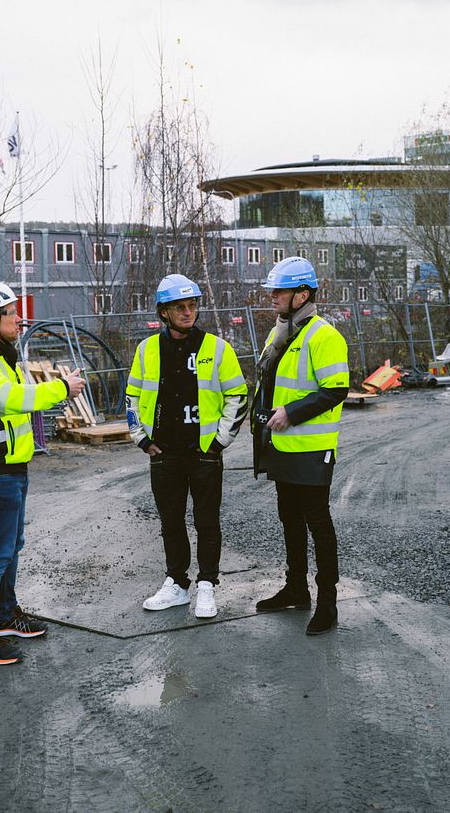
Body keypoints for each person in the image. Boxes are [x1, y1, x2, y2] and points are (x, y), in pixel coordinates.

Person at [0, 280, 85, 666]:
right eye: (11, 312)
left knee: (10, 548)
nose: (19, 318)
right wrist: (60, 388)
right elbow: (12, 401)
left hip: (10, 469)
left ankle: (5, 616)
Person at [126, 274, 248, 619]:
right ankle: (177, 584)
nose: (188, 312)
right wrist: (142, 439)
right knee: (171, 521)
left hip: (203, 454)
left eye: (192, 305)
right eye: (179, 307)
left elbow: (238, 397)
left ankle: (207, 584)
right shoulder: (147, 350)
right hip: (163, 453)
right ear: (163, 312)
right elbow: (132, 397)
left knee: (207, 522)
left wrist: (219, 442)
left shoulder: (216, 348)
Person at [252, 257, 349, 636]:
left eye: (279, 291)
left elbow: (335, 389)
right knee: (289, 518)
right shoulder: (280, 333)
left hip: (311, 449)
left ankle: (328, 604)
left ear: (302, 294)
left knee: (317, 524)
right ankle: (296, 589)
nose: (272, 297)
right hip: (282, 446)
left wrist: (291, 413)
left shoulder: (324, 335)